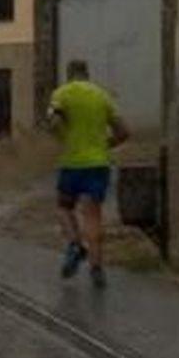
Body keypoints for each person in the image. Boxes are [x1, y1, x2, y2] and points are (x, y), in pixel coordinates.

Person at [47, 59, 129, 289]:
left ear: (69, 74)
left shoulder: (62, 93)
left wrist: (63, 137)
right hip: (98, 164)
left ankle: (75, 244)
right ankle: (97, 268)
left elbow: (53, 121)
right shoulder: (102, 96)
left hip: (72, 162)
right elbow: (124, 131)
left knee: (64, 206)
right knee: (93, 215)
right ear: (87, 74)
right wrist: (106, 145)